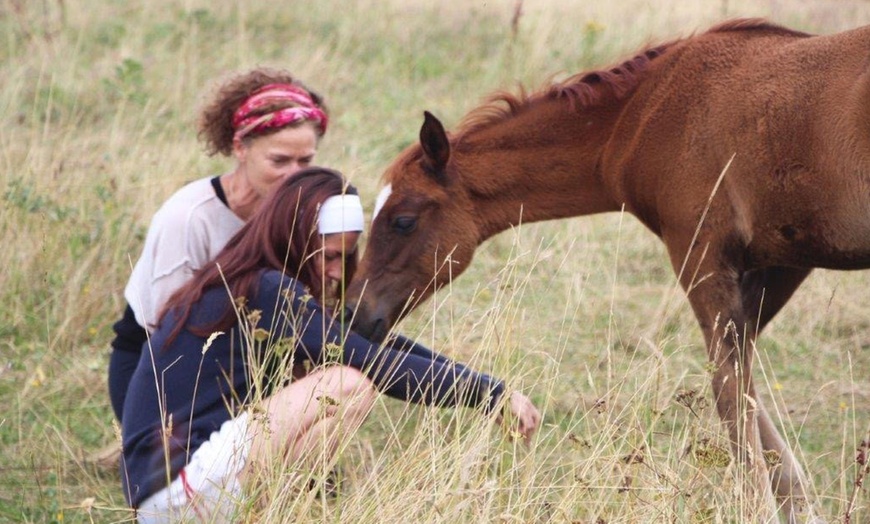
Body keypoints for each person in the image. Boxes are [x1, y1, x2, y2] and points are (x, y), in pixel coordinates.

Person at [121, 168, 541, 522]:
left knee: (340, 372)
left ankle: (270, 510)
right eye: (330, 256)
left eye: (347, 256)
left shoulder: (255, 283)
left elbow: (375, 344)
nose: (339, 273)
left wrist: (488, 386)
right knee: (347, 383)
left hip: (171, 492)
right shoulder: (265, 289)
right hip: (174, 491)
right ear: (295, 240)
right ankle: (272, 512)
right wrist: (489, 394)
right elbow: (368, 360)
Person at [109, 68, 329, 421]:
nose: (296, 175)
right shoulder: (189, 218)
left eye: (306, 161)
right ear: (240, 147)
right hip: (162, 372)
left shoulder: (306, 211)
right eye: (279, 161)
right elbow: (165, 336)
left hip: (254, 366)